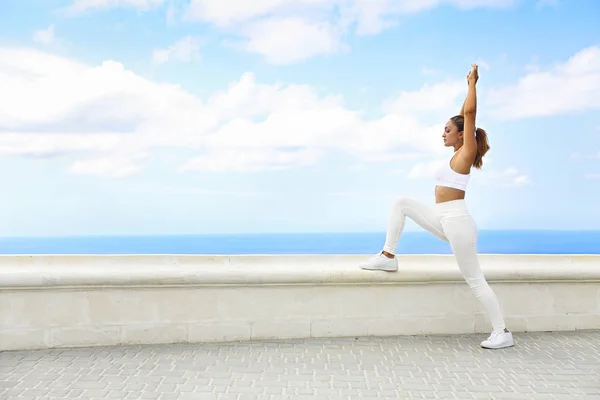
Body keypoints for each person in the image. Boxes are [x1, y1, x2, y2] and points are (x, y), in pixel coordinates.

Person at [359, 64, 514, 350]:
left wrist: (472, 84)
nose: (442, 134)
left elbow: (468, 114)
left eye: (447, 130)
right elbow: (462, 115)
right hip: (443, 218)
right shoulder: (455, 154)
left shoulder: (466, 152)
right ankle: (388, 255)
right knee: (401, 202)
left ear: (460, 135)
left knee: (475, 280)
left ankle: (502, 331)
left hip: (458, 222)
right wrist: (464, 99)